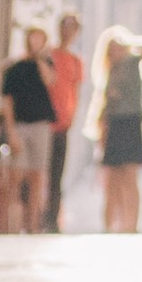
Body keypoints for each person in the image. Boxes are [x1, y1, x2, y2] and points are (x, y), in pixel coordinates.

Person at [0, 28, 59, 235]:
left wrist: (40, 58)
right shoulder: (14, 68)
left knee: (37, 176)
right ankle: (9, 226)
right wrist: (11, 132)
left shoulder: (46, 64)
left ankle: (33, 225)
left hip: (40, 125)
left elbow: (49, 81)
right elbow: (7, 101)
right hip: (20, 125)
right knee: (15, 175)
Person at [91, 27, 142, 231]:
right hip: (114, 125)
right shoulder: (109, 73)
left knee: (129, 177)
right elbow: (106, 107)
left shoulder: (132, 64)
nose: (115, 52)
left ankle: (131, 225)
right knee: (113, 179)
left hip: (130, 123)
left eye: (118, 48)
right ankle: (110, 226)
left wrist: (127, 43)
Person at [43, 12, 84, 231]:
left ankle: (52, 219)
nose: (67, 31)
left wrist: (71, 117)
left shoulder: (76, 60)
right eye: (64, 26)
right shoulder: (48, 55)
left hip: (63, 124)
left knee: (57, 174)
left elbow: (74, 91)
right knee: (41, 173)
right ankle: (38, 217)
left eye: (72, 27)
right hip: (43, 121)